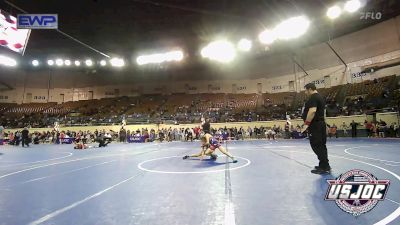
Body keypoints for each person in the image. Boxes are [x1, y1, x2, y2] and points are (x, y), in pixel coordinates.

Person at [302, 83, 331, 174]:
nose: (305, 92)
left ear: (310, 89)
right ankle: (324, 164)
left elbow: (312, 111)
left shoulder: (313, 97)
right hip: (320, 124)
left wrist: (306, 124)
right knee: (321, 145)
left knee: (316, 145)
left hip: (315, 125)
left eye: (306, 90)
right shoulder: (320, 97)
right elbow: (322, 113)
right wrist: (325, 125)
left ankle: (324, 167)